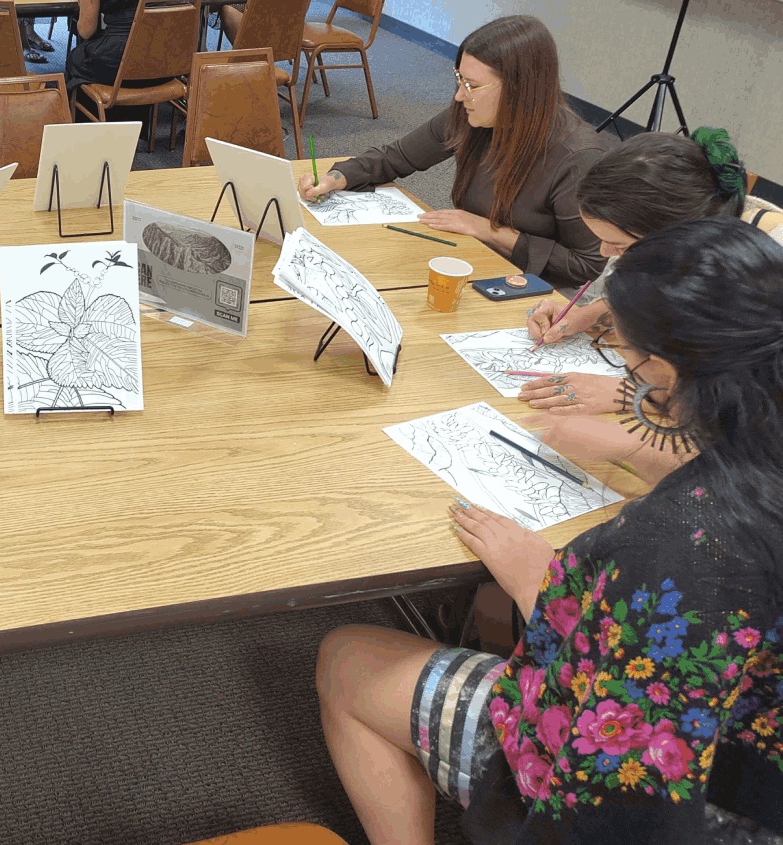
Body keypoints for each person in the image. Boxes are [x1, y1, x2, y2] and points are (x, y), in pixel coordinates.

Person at [316, 218, 783, 844]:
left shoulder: (684, 544)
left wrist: (539, 580)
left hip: (705, 804)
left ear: (665, 367)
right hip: (755, 744)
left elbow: (624, 741)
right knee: (486, 614)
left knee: (346, 659)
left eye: (624, 351)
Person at [297, 16, 613, 289]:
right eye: (459, 79)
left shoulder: (577, 156)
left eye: (472, 85)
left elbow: (583, 266)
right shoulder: (470, 115)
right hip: (474, 258)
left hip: (539, 289)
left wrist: (489, 230)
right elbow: (396, 156)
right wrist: (335, 178)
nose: (460, 95)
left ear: (520, 89)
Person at [519, 128, 782, 416]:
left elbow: (759, 408)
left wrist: (640, 396)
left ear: (676, 236)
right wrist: (589, 313)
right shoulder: (671, 234)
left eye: (618, 245)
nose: (605, 252)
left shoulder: (768, 269)